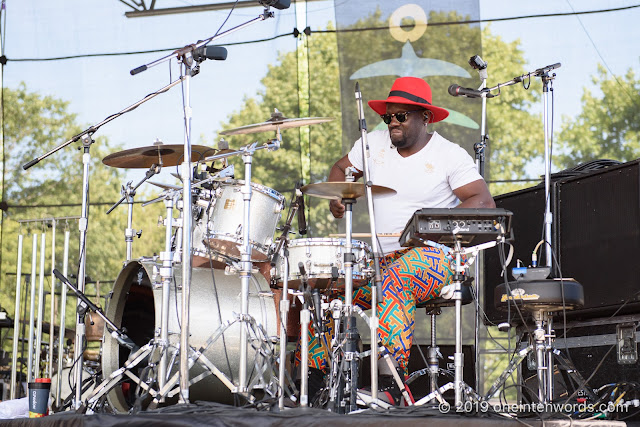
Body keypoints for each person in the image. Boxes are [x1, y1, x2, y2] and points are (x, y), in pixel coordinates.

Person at [296, 76, 495, 406]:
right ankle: (315, 381)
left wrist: (428, 228)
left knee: (394, 280)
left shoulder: (449, 154)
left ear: (424, 117)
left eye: (401, 116)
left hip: (437, 257)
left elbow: (482, 202)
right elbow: (341, 168)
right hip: (380, 258)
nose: (393, 124)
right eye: (388, 117)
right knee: (329, 288)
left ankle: (392, 384)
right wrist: (336, 196)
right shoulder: (371, 143)